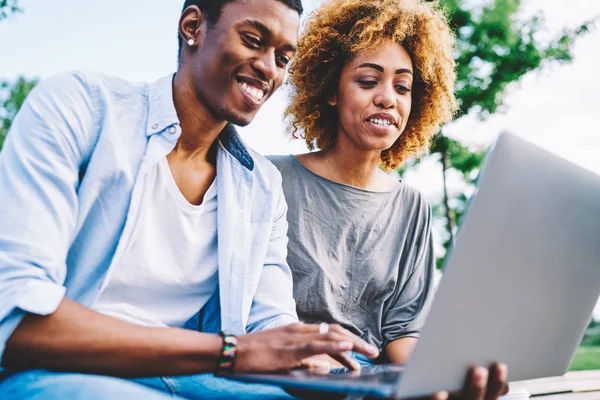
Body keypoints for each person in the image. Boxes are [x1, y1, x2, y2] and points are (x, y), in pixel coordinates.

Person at [0, 0, 380, 399]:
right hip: (53, 369)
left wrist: (315, 361)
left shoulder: (262, 187)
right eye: (253, 40)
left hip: (186, 375)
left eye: (283, 58)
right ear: (193, 27)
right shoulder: (80, 108)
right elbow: (17, 317)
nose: (269, 68)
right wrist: (228, 353)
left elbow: (268, 324)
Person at [269, 0, 509, 398]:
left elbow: (403, 330)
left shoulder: (412, 206)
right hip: (289, 374)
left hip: (371, 379)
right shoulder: (271, 178)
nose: (387, 98)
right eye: (368, 81)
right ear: (330, 90)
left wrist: (433, 384)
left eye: (402, 86)